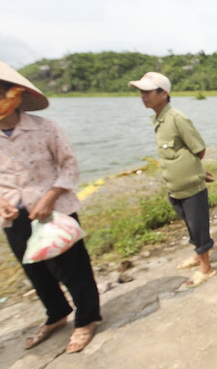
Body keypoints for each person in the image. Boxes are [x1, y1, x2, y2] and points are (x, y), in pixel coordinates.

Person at [0, 61, 102, 353]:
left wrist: (49, 197)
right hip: (14, 216)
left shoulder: (46, 128)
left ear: (14, 94)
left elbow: (69, 167)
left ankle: (87, 318)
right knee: (35, 271)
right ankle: (57, 314)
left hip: (55, 211)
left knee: (73, 269)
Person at [128, 72, 216, 287]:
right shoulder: (160, 119)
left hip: (190, 186)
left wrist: (194, 171)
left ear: (163, 93)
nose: (143, 96)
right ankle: (198, 256)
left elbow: (199, 149)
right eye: (141, 92)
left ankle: (206, 267)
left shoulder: (177, 118)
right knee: (188, 224)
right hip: (175, 186)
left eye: (147, 92)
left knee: (198, 226)